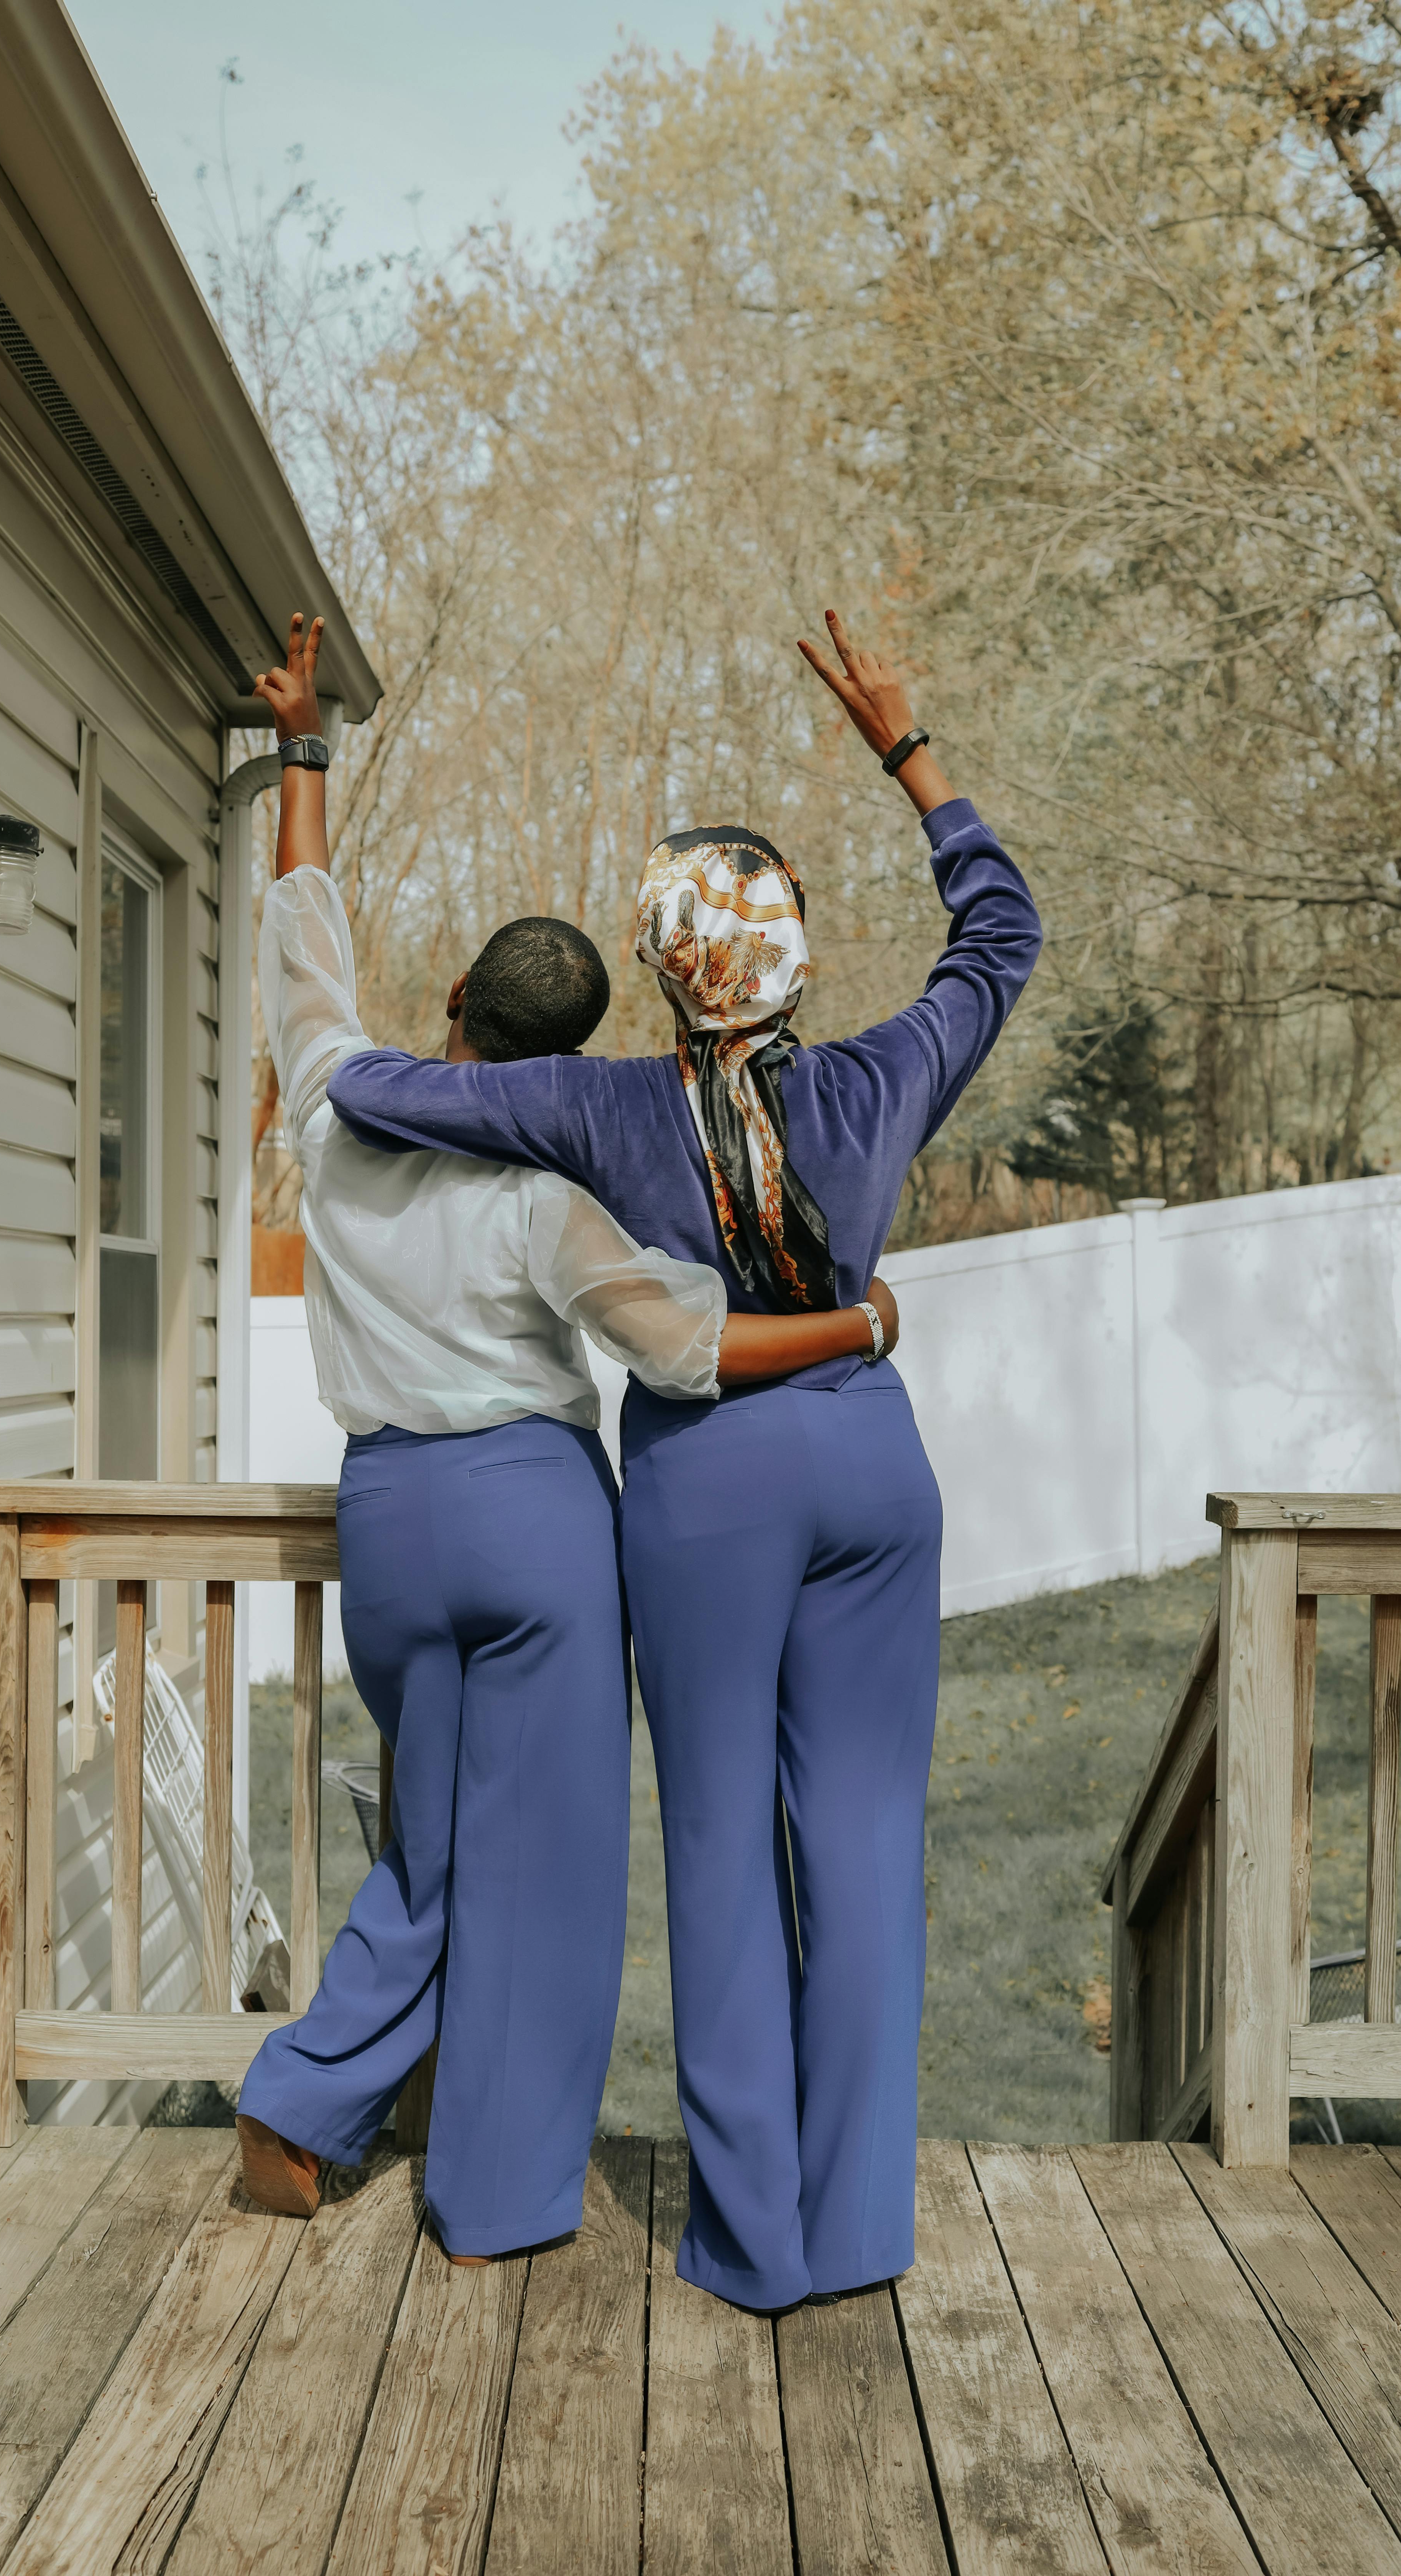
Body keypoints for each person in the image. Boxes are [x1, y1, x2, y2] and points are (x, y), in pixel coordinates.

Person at [327, 612, 1043, 2310]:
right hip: (874, 1472)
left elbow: (384, 1096)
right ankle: (859, 2229)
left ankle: (753, 2246)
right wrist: (909, 749)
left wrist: (349, 1068)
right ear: (795, 961)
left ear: (663, 972)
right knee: (864, 1842)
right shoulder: (883, 1082)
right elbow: (1001, 935)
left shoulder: (599, 1113)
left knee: (721, 1846)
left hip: (710, 1485)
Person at [235, 611, 902, 2263]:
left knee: (437, 1842)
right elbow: (686, 1348)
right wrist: (863, 1324)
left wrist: (307, 751)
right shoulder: (555, 1196)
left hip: (387, 1519)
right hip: (536, 1527)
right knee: (548, 1889)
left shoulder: (334, 1117)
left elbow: (301, 949)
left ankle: (303, 2097)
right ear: (570, 1059)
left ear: (454, 1003)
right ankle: (498, 2198)